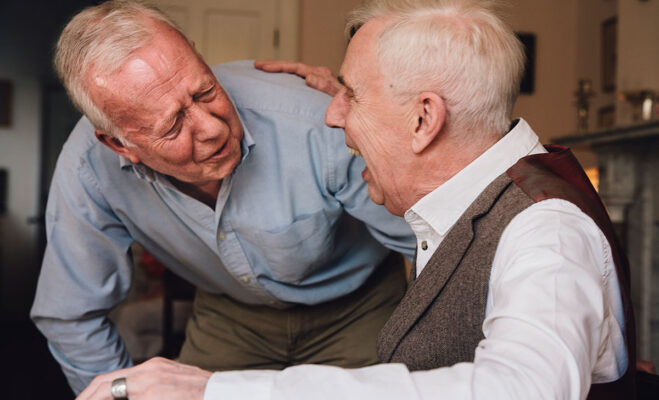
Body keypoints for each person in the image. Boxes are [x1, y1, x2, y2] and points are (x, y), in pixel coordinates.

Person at [76, 0, 637, 399]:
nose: (329, 114)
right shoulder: (467, 205)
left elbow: (521, 389)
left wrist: (214, 391)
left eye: (349, 93)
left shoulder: (545, 230)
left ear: (423, 120)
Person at [30, 0, 418, 395]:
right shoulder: (88, 170)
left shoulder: (313, 123)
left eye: (205, 91)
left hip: (360, 305)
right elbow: (71, 315)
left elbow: (431, 244)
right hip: (229, 315)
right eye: (173, 125)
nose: (212, 129)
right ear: (118, 143)